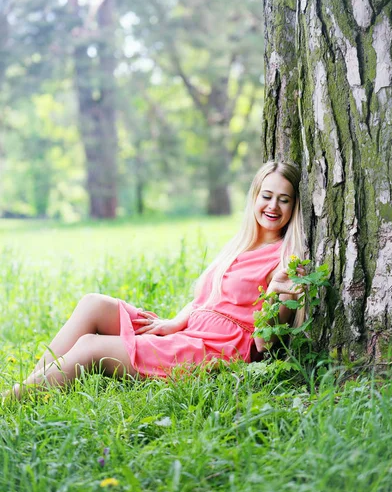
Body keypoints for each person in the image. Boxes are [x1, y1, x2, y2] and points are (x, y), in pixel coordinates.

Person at [6, 160, 306, 399]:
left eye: (284, 200)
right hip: (190, 331)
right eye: (267, 196)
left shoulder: (284, 258)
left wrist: (280, 296)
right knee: (93, 304)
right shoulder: (240, 245)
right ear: (255, 197)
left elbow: (266, 344)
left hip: (216, 351)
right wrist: (175, 321)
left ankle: (12, 400)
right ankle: (33, 385)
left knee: (90, 347)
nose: (273, 207)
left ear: (294, 207)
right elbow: (208, 299)